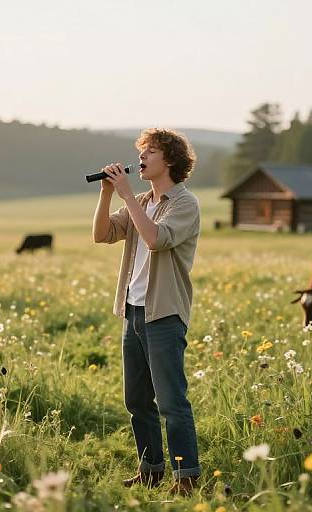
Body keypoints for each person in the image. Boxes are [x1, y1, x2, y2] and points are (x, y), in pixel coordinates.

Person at [92, 128, 201, 495]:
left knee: (171, 401)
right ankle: (151, 469)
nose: (140, 158)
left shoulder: (184, 204)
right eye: (141, 152)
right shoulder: (140, 200)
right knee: (137, 399)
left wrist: (127, 196)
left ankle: (187, 477)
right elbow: (102, 233)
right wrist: (109, 194)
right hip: (133, 311)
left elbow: (155, 240)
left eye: (149, 152)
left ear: (169, 160)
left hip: (164, 315)